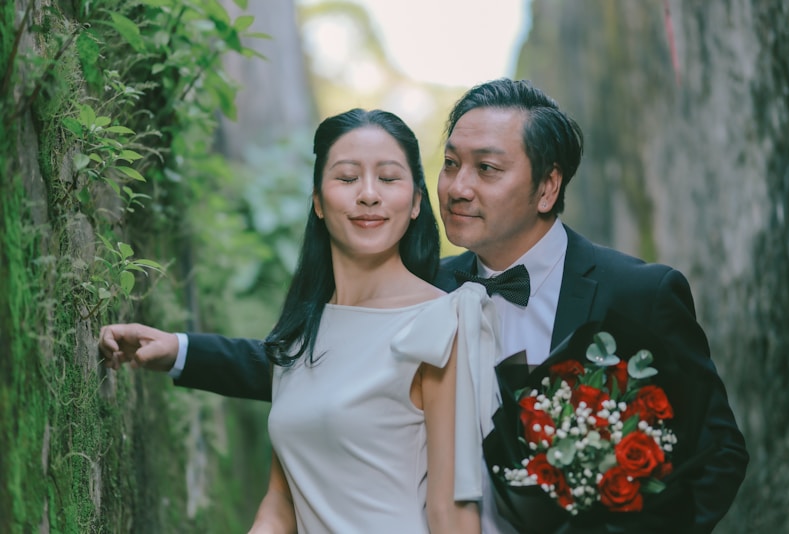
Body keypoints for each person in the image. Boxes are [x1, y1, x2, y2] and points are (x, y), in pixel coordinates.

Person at [100, 79, 748, 533]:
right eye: (450, 163)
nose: (457, 188)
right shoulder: (425, 286)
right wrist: (180, 351)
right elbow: (324, 367)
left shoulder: (638, 295)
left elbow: (716, 454)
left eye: (486, 169)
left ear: (548, 185)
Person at [104, 108, 501, 533]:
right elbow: (281, 500)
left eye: (388, 178)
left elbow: (452, 511)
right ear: (317, 201)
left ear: (417, 201)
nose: (368, 194)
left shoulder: (444, 321)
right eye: (347, 178)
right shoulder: (301, 335)